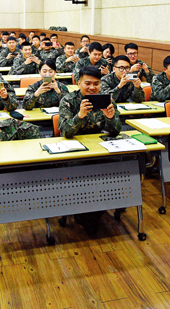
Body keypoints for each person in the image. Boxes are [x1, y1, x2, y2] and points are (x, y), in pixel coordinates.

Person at [59, 65, 121, 235]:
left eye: (96, 83)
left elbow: (116, 130)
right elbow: (65, 131)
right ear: (78, 83)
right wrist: (79, 116)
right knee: (84, 175)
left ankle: (94, 213)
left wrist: (110, 119)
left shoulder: (107, 100)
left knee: (118, 168)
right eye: (87, 83)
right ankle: (88, 215)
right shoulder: (68, 100)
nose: (92, 87)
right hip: (75, 153)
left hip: (100, 150)